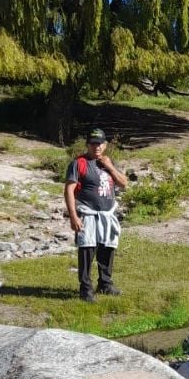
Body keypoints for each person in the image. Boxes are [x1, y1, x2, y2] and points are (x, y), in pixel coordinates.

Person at [64, 128, 129, 303]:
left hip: (107, 214)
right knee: (87, 249)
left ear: (105, 145)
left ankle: (105, 284)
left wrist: (109, 166)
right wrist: (73, 216)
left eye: (99, 143)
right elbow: (69, 190)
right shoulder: (79, 163)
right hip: (87, 213)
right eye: (93, 143)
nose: (96, 146)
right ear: (88, 144)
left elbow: (123, 184)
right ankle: (85, 289)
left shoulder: (109, 162)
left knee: (107, 248)